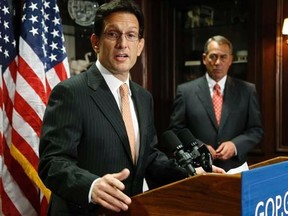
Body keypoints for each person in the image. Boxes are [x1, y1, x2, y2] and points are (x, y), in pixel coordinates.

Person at [38, 1, 225, 215]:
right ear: (96, 42)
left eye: (131, 35)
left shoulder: (143, 97)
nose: (122, 44)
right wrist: (91, 186)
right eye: (112, 34)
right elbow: (52, 163)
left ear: (140, 46)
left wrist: (191, 174)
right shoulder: (71, 92)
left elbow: (149, 158)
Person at [168, 35, 264, 172]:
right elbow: (175, 130)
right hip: (199, 169)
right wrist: (199, 147)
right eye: (213, 56)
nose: (217, 62)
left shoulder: (247, 91)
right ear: (204, 59)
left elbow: (256, 130)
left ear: (231, 60)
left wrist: (235, 145)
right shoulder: (185, 92)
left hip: (236, 169)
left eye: (223, 57)